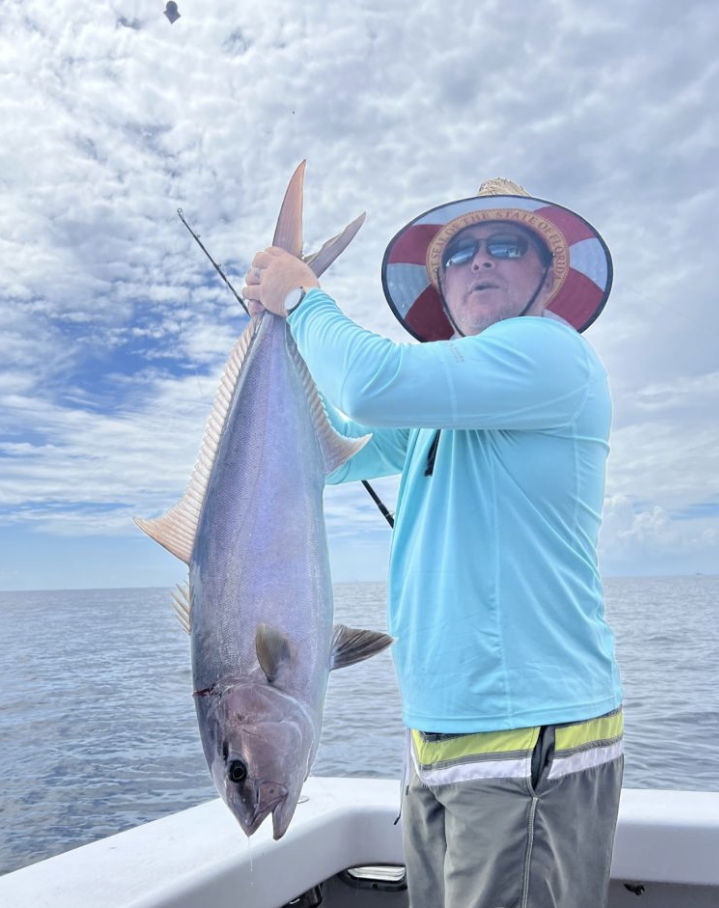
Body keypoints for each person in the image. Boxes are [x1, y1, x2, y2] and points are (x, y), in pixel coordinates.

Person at [243, 177, 624, 908]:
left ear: (545, 281)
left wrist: (302, 297)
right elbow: (328, 455)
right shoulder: (442, 407)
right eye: (462, 255)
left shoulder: (550, 355)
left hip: (529, 738)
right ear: (443, 288)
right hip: (437, 736)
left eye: (506, 247)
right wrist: (273, 346)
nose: (481, 261)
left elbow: (368, 385)